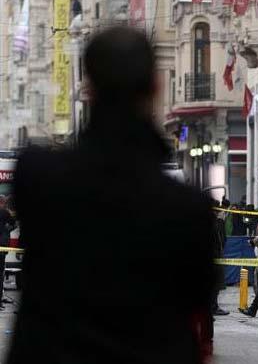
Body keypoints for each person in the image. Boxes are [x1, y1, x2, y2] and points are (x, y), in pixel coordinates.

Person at [6, 27, 217, 364]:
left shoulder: (37, 177)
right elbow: (196, 301)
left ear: (87, 87)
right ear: (156, 86)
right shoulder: (188, 209)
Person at [212, 200, 230, 316]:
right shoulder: (215, 222)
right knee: (215, 283)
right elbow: (220, 240)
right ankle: (213, 307)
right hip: (214, 255)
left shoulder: (216, 221)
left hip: (215, 254)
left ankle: (212, 307)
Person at [0, 195, 17, 311]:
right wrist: (8, 229)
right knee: (0, 274)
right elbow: (14, 223)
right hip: (2, 247)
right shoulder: (4, 212)